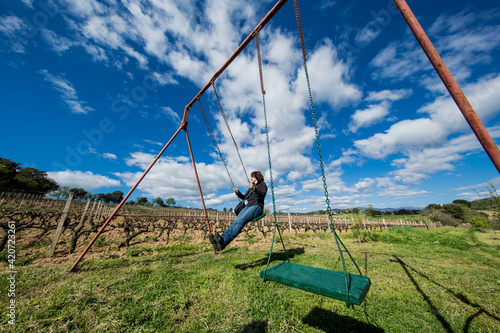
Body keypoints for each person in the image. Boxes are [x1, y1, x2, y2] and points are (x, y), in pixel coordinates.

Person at [209, 171, 267, 252]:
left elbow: (263, 193)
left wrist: (254, 188)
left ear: (257, 177)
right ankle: (220, 240)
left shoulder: (262, 185)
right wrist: (237, 192)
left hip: (257, 207)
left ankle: (224, 241)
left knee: (241, 220)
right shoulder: (251, 186)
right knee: (235, 221)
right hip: (248, 206)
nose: (251, 178)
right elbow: (244, 197)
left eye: (252, 177)